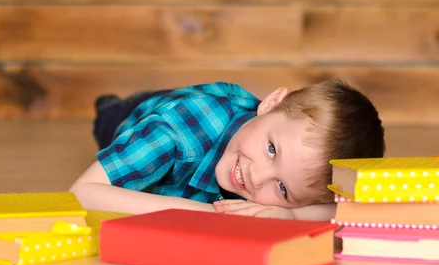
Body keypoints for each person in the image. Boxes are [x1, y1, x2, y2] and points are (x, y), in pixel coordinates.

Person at [69, 79, 385, 221]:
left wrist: (290, 216)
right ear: (271, 104)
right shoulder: (178, 127)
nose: (257, 176)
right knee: (110, 117)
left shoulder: (271, 172)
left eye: (282, 188)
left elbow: (354, 211)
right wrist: (212, 215)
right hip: (140, 115)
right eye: (272, 149)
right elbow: (81, 194)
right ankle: (110, 103)